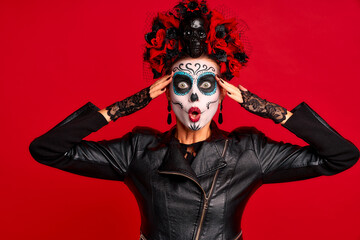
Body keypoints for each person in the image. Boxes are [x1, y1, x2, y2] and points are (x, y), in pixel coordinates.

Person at [29, 1, 359, 239]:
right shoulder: (137, 150)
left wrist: (269, 109)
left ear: (223, 93)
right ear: (166, 94)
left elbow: (341, 156)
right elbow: (47, 150)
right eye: (182, 85)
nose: (194, 98)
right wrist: (124, 107)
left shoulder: (249, 152)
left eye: (207, 85)